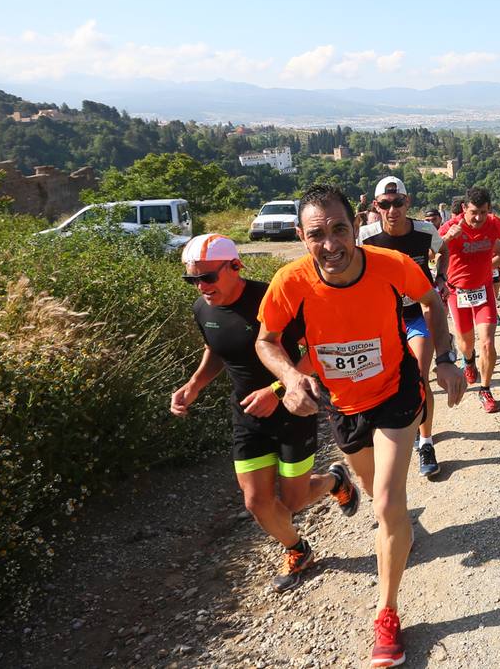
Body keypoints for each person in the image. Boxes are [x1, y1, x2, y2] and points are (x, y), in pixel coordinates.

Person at [256, 185, 466, 667]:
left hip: (394, 392)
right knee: (377, 496)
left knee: (389, 502)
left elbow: (431, 301)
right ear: (300, 236)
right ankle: (365, 498)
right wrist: (289, 377)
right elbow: (267, 340)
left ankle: (386, 612)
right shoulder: (290, 282)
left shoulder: (391, 266)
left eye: (339, 230)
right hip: (342, 405)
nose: (330, 244)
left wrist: (447, 358)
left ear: (356, 228)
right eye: (317, 235)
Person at [170, 233, 359, 594]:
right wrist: (194, 385)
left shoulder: (271, 298)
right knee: (256, 502)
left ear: (235, 266)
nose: (201, 287)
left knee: (293, 501)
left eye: (208, 277)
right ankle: (298, 550)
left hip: (292, 407)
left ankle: (335, 480)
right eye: (192, 279)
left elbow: (318, 348)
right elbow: (218, 349)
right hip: (247, 415)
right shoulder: (202, 309)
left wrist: (278, 389)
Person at [358, 176, 447, 479]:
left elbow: (443, 250)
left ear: (408, 203)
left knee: (420, 379)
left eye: (398, 203)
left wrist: (441, 278)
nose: (392, 209)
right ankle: (390, 436)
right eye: (385, 204)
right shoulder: (366, 237)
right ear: (376, 206)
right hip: (383, 320)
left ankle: (426, 443)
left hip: (417, 314)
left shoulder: (425, 231)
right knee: (384, 383)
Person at [437, 186, 500, 413]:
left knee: (487, 341)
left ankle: (485, 390)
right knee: (466, 343)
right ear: (463, 209)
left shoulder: (494, 223)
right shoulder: (452, 226)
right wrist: (447, 239)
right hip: (457, 292)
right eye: (474, 212)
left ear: (489, 210)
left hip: (484, 291)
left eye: (483, 212)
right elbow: (432, 252)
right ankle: (468, 360)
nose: (478, 218)